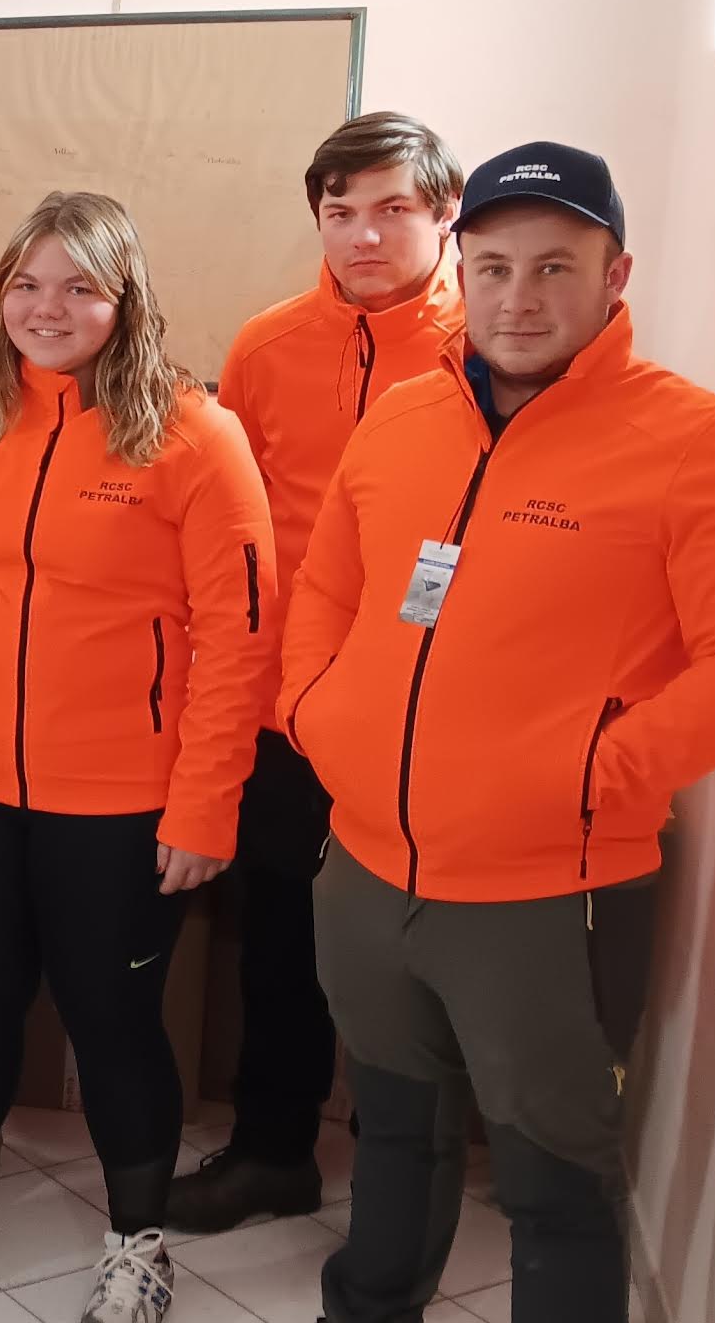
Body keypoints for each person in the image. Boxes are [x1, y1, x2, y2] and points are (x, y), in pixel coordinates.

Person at [288, 144, 715, 1322]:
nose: (517, 298)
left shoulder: (695, 439)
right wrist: (318, 713)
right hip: (367, 871)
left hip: (548, 892)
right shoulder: (403, 418)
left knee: (554, 1187)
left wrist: (590, 776)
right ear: (461, 274)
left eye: (553, 268)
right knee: (390, 1138)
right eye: (492, 267)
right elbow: (325, 589)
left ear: (615, 274)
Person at [0, 192, 276, 1320]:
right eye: (27, 283)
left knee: (111, 1023)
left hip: (121, 806)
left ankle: (136, 1238)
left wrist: (205, 808)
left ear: (124, 299)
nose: (48, 308)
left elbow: (240, 640)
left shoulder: (195, 433)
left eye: (79, 286)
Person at [169, 112, 467, 1233]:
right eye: (339, 213)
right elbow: (228, 523)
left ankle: (411, 1182)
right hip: (286, 708)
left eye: (392, 209)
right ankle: (271, 1151)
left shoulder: (483, 349)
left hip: (425, 710)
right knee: (281, 942)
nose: (362, 236)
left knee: (420, 953)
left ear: (444, 214)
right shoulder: (268, 344)